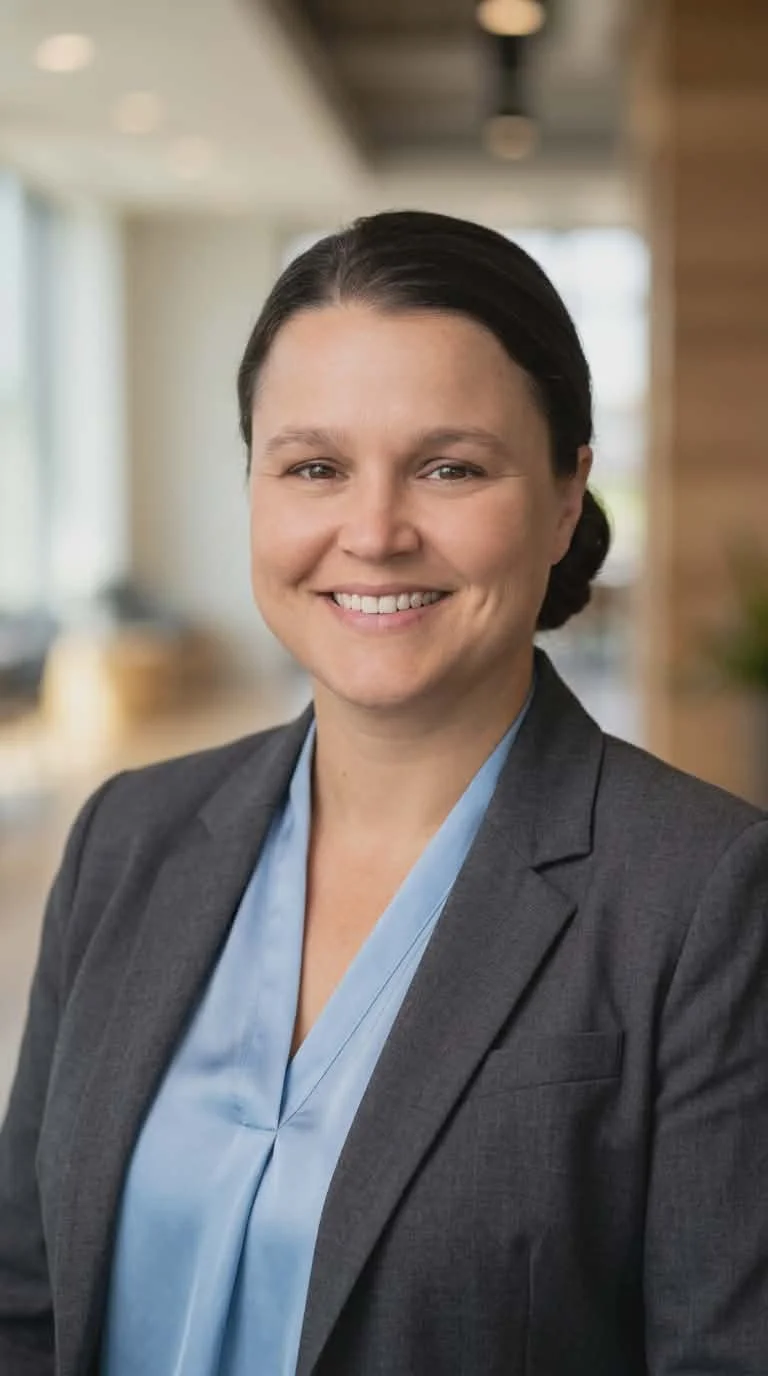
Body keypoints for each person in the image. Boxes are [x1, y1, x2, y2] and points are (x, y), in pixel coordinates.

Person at [1, 210, 767, 1376]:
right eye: (314, 465)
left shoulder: (705, 897)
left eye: (450, 466)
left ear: (567, 496)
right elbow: (26, 1294)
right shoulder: (128, 834)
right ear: (253, 482)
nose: (373, 530)